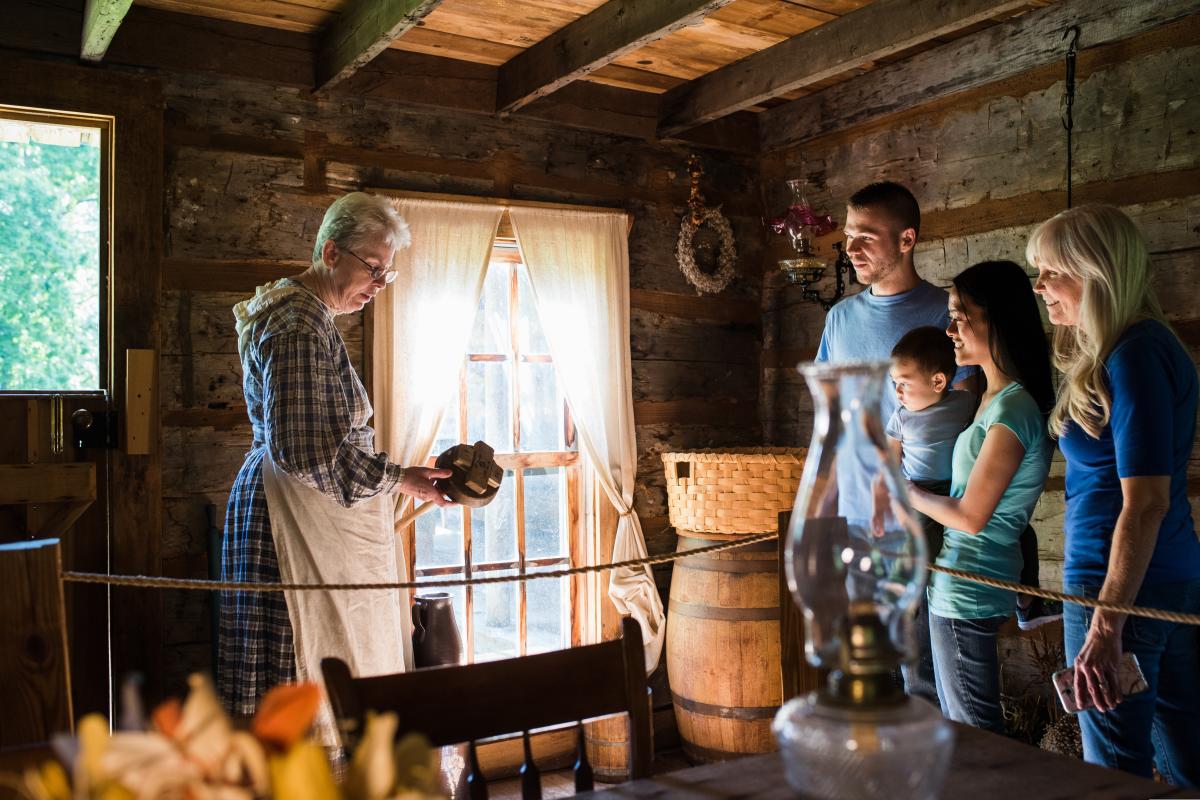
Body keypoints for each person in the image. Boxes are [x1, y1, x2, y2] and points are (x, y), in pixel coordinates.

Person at [219, 192, 452, 721]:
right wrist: (397, 478)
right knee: (302, 661)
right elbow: (304, 452)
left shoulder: (307, 313)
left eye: (386, 275)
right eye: (373, 269)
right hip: (291, 522)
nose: (378, 285)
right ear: (330, 253)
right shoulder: (298, 323)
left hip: (305, 514)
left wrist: (396, 478)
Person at [1028, 204, 1200, 785]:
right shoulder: (1137, 349)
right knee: (1186, 762)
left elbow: (1147, 500)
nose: (1040, 286)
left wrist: (1105, 626)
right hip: (1165, 580)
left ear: (1093, 269)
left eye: (1051, 271)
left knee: (1112, 773)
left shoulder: (1134, 353)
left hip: (1117, 588)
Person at [815, 181, 977, 699]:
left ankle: (929, 775)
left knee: (922, 674)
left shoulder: (944, 315)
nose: (851, 249)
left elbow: (967, 415)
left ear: (907, 239)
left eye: (866, 237)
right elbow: (830, 418)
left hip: (924, 519)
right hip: (857, 520)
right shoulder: (838, 318)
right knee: (866, 666)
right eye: (848, 236)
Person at [907, 260, 1055, 733]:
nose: (950, 329)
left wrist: (903, 491)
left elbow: (971, 517)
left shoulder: (1014, 407)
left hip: (969, 586)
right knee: (964, 727)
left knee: (976, 733)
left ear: (995, 318)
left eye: (960, 314)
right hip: (957, 580)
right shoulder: (988, 399)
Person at [873, 326, 975, 703]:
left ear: (938, 381)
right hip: (917, 493)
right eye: (893, 383)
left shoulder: (964, 404)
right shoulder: (901, 417)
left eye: (903, 382)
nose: (896, 392)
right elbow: (888, 463)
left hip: (956, 492)